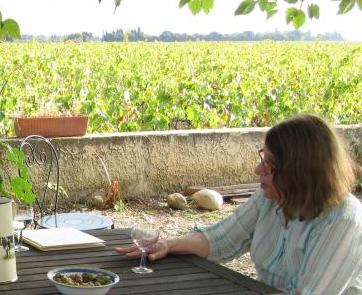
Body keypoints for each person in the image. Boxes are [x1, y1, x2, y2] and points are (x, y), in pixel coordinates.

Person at [115, 114, 362, 294]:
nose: (258, 169)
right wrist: (167, 244)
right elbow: (221, 239)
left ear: (300, 172)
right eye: (262, 158)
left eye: (270, 165)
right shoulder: (272, 198)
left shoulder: (343, 220)